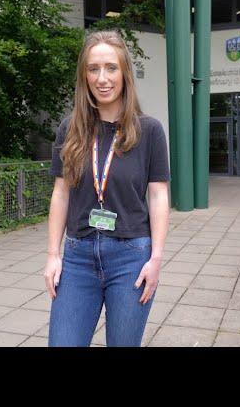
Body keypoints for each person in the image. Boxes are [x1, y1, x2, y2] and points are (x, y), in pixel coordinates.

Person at [44, 30, 170, 347]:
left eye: (111, 67)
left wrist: (155, 259)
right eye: (93, 68)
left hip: (131, 258)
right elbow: (61, 193)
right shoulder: (70, 128)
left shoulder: (150, 131)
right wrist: (52, 255)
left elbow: (158, 196)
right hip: (78, 258)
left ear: (125, 73)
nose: (103, 78)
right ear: (84, 76)